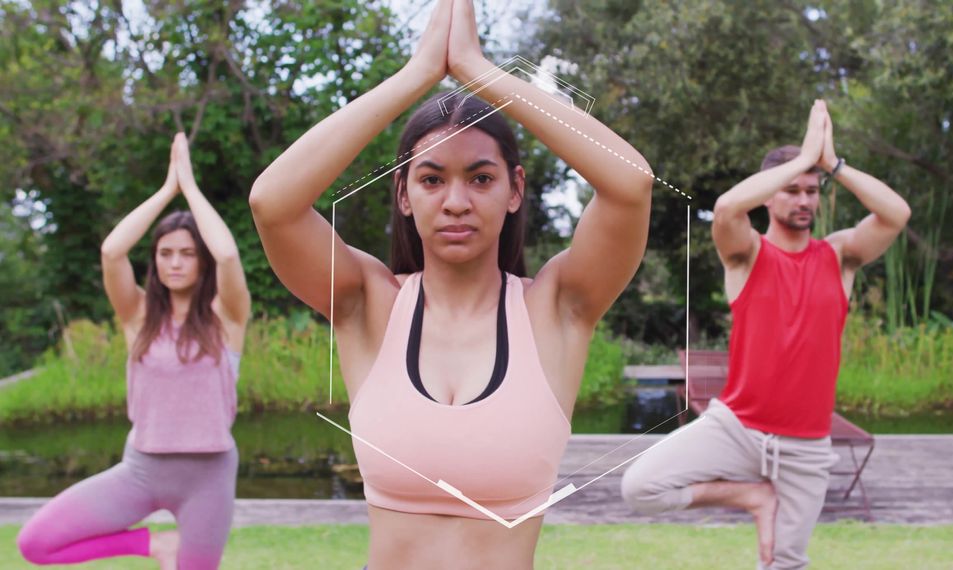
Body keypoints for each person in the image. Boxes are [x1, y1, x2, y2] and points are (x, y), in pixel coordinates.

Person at [248, 0, 652, 567]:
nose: (456, 202)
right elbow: (272, 203)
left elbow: (630, 184)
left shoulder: (558, 307)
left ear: (514, 190)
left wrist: (477, 70)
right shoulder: (368, 303)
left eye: (480, 178)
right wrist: (416, 75)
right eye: (432, 179)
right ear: (404, 196)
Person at [620, 100, 911, 569]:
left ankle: (767, 508)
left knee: (785, 563)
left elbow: (896, 214)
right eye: (792, 189)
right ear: (770, 195)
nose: (803, 200)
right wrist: (801, 159)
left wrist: (831, 162)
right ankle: (754, 498)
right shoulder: (746, 254)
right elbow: (729, 207)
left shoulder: (839, 257)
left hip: (806, 447)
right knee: (640, 487)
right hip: (736, 429)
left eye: (812, 191)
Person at [17, 133, 251, 570]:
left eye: (186, 253)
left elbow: (229, 255)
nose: (175, 262)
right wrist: (167, 189)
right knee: (36, 543)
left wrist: (191, 188)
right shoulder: (138, 316)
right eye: (165, 253)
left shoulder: (227, 317)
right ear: (155, 262)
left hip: (209, 476)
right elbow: (111, 250)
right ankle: (153, 546)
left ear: (200, 261)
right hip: (141, 468)